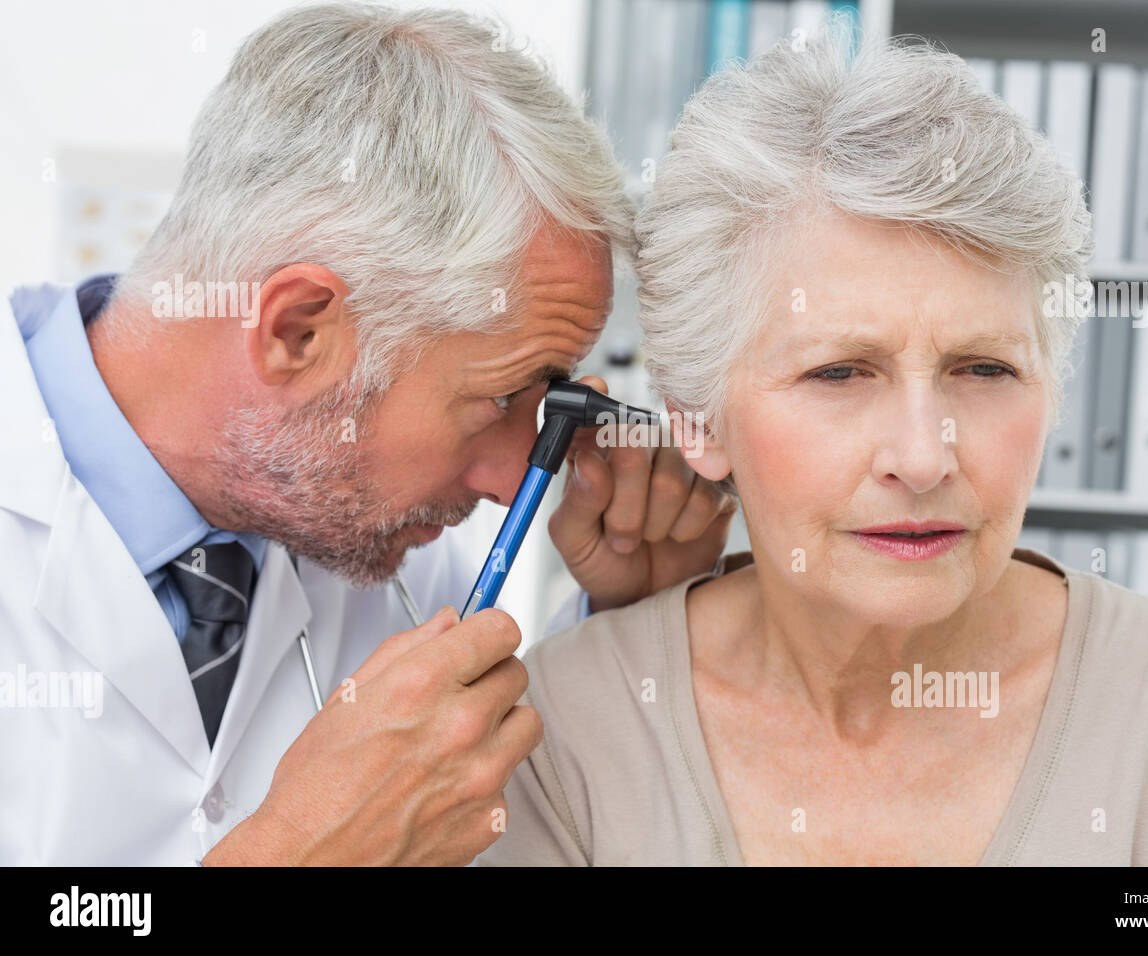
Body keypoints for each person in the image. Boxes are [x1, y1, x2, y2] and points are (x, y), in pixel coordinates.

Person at [478, 31, 1148, 865]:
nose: (923, 458)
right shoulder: (562, 729)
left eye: (984, 368)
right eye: (839, 373)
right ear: (695, 415)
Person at [0, 3, 733, 865]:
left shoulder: (392, 555)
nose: (510, 481)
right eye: (501, 399)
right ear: (298, 330)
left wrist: (627, 625)